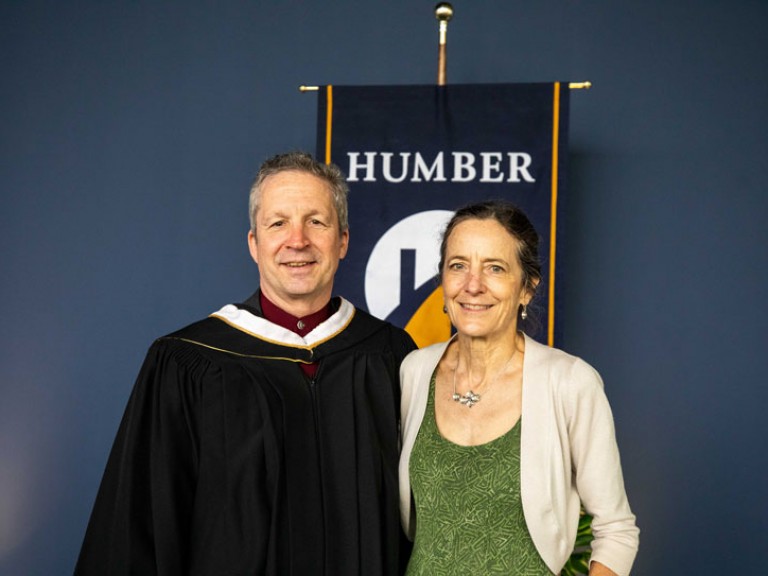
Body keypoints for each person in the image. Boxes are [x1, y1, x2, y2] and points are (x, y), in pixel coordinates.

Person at [75, 152, 417, 576]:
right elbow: (138, 527)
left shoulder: (390, 356)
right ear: (254, 243)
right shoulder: (189, 363)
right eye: (278, 223)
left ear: (343, 240)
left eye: (316, 222)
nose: (298, 240)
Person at [398, 200, 639, 575]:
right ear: (443, 281)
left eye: (495, 268)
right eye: (458, 265)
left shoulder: (570, 382)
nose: (473, 285)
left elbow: (616, 530)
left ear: (527, 288)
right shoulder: (415, 372)